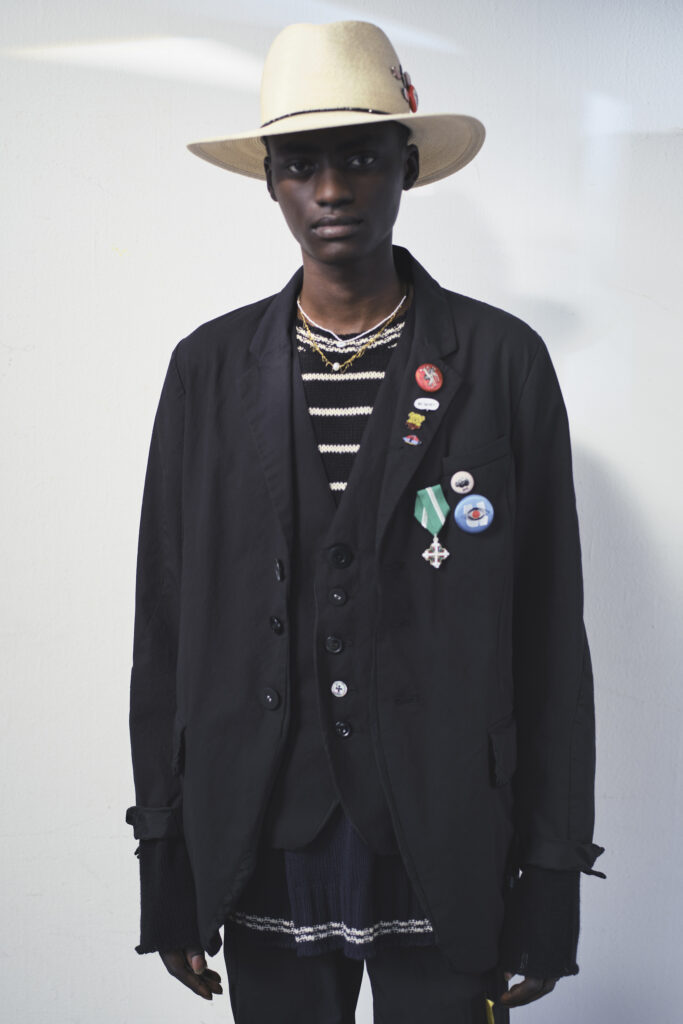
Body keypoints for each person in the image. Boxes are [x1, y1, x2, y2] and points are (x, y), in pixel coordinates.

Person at [125, 19, 605, 1024]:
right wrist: (164, 855)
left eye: (360, 158)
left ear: (407, 166)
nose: (332, 190)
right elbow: (165, 628)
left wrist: (553, 872)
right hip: (260, 830)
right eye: (301, 165)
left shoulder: (501, 364)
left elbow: (548, 636)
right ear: (270, 183)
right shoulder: (206, 372)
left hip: (447, 831)